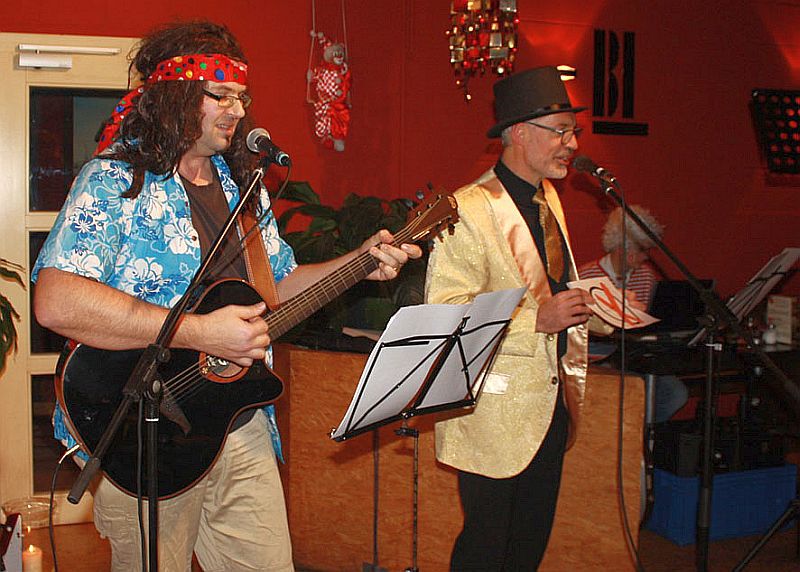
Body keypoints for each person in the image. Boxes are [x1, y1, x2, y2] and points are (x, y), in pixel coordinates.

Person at [32, 21, 420, 572]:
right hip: (142, 431)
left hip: (238, 423)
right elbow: (56, 301)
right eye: (221, 95)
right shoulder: (114, 180)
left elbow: (275, 288)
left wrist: (358, 263)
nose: (237, 110)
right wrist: (199, 332)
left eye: (241, 97)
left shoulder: (243, 186)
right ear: (175, 96)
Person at [425, 66, 611, 570]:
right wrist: (536, 321)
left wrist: (591, 305)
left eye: (574, 131)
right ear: (520, 132)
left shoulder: (548, 198)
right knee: (485, 551)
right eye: (561, 131)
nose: (572, 144)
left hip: (550, 404)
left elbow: (546, 286)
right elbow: (446, 314)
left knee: (527, 550)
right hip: (492, 413)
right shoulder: (465, 209)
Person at [579, 205, 688, 422]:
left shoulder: (646, 277)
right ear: (624, 251)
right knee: (629, 390)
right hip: (599, 354)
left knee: (675, 393)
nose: (646, 257)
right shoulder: (586, 276)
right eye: (642, 251)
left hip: (634, 353)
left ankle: (638, 431)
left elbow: (647, 323)